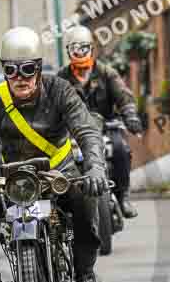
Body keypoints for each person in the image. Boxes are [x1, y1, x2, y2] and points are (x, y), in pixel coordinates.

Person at [0, 26, 115, 282]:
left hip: (61, 175)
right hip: (15, 180)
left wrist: (94, 167)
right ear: (4, 70)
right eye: (12, 70)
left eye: (28, 69)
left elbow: (87, 132)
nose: (20, 77)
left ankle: (86, 278)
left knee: (87, 196)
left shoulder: (60, 90)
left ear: (39, 68)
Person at [58, 25, 142, 219]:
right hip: (74, 132)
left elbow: (124, 96)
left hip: (106, 126)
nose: (79, 53)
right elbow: (51, 103)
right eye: (74, 48)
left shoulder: (106, 73)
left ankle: (123, 196)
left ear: (91, 49)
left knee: (121, 149)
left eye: (83, 48)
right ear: (68, 51)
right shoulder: (61, 79)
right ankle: (64, 202)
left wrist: (130, 115)